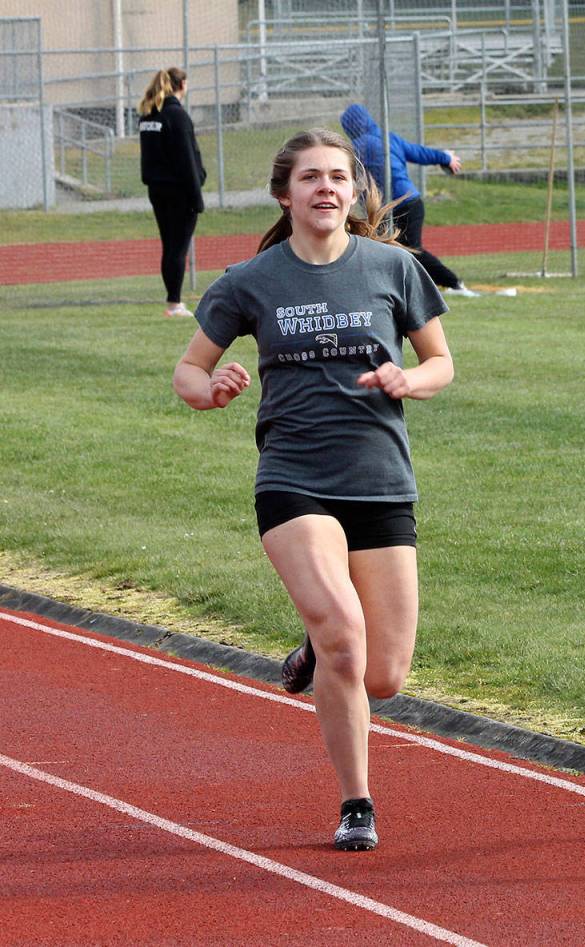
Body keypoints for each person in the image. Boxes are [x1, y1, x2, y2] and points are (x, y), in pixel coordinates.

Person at [172, 128, 454, 852]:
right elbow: (189, 371)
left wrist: (407, 379)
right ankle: (357, 800)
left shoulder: (394, 267)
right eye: (311, 178)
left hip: (381, 481)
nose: (326, 188)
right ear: (284, 194)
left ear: (356, 192)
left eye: (338, 177)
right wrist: (213, 389)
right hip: (294, 479)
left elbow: (441, 363)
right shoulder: (250, 281)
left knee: (384, 674)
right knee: (344, 634)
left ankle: (317, 642)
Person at [340, 103, 477, 296]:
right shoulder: (388, 137)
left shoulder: (359, 146)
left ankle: (453, 282)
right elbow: (418, 152)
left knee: (408, 249)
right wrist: (444, 158)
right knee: (395, 248)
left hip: (396, 205)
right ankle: (405, 287)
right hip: (410, 201)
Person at [138, 67, 206, 317]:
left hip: (157, 190)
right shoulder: (176, 116)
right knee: (178, 247)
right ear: (182, 85)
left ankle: (172, 301)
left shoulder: (148, 115)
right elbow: (187, 158)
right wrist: (197, 196)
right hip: (179, 193)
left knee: (169, 246)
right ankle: (175, 304)